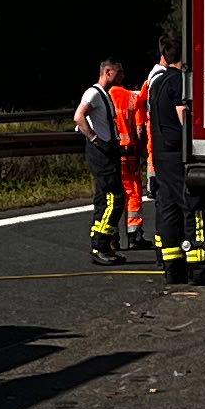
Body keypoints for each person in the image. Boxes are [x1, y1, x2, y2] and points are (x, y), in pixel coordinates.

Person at [141, 50, 205, 279]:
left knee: (168, 207)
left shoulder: (156, 82)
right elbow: (182, 113)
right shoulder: (178, 81)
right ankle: (199, 268)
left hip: (161, 153)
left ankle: (172, 269)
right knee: (193, 204)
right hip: (178, 152)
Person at [74, 58, 131, 265]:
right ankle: (100, 244)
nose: (122, 76)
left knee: (103, 199)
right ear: (108, 72)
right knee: (114, 198)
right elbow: (78, 117)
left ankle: (102, 245)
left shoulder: (105, 95)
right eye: (119, 72)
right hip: (100, 152)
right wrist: (95, 139)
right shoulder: (93, 93)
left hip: (108, 151)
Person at [108, 67, 150, 255]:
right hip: (130, 153)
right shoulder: (133, 98)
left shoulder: (104, 95)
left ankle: (112, 236)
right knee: (133, 192)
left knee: (112, 193)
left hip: (111, 153)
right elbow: (140, 130)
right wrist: (143, 151)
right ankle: (134, 235)